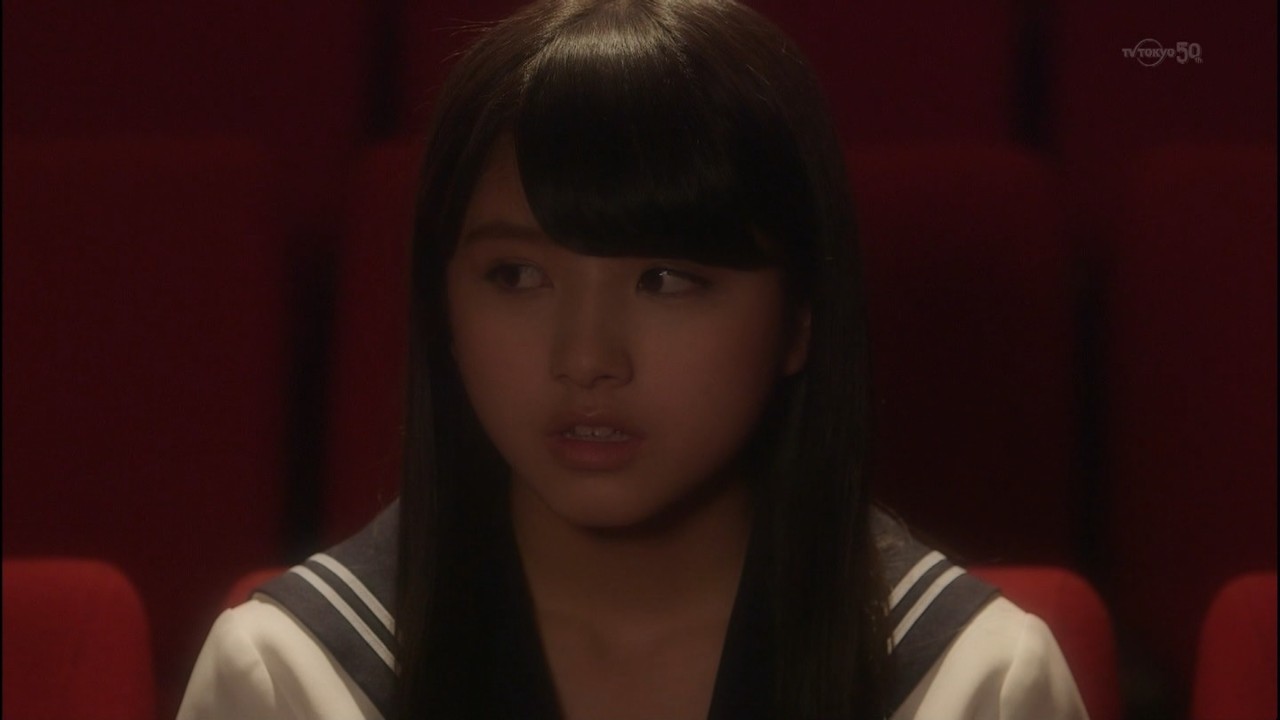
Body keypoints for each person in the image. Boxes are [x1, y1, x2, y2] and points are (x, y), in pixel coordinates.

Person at [178, 0, 1090, 718]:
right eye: (517, 275)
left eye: (665, 279)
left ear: (800, 319)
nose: (586, 358)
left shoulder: (969, 683)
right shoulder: (294, 676)